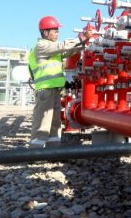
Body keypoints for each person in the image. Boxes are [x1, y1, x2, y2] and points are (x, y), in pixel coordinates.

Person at [28, 16, 92, 148]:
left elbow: (68, 51)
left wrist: (81, 45)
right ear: (45, 32)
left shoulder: (52, 50)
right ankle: (35, 152)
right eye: (55, 30)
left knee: (55, 122)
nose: (58, 33)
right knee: (43, 122)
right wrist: (81, 38)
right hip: (45, 90)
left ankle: (54, 150)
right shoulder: (42, 46)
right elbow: (62, 46)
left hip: (55, 90)